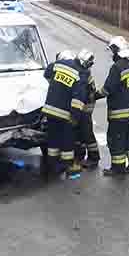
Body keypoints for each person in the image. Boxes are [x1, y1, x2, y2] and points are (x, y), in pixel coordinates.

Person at [96, 36, 129, 176]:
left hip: (118, 114)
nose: (111, 54)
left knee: (115, 140)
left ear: (116, 51)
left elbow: (107, 89)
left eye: (111, 50)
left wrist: (93, 96)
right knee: (128, 138)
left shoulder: (116, 68)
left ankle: (118, 168)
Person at [42, 49, 86, 178]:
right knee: (67, 140)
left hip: (50, 110)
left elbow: (46, 74)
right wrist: (75, 117)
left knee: (53, 138)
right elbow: (78, 99)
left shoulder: (56, 65)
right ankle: (68, 166)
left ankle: (52, 164)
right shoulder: (79, 74)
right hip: (65, 114)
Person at [75, 49, 100, 169]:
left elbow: (88, 92)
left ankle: (93, 158)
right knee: (80, 131)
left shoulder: (84, 73)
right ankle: (80, 155)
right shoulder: (82, 71)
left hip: (86, 106)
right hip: (84, 104)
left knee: (87, 132)